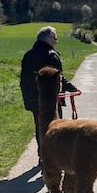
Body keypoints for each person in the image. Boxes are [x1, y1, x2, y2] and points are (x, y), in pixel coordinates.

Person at [20, 26, 77, 165]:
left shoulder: (28, 55)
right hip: (50, 100)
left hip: (34, 99)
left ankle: (42, 156)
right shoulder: (51, 55)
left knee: (40, 126)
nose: (56, 40)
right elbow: (58, 77)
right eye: (54, 37)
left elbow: (24, 80)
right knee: (55, 127)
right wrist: (72, 88)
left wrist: (28, 99)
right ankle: (55, 156)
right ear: (46, 38)